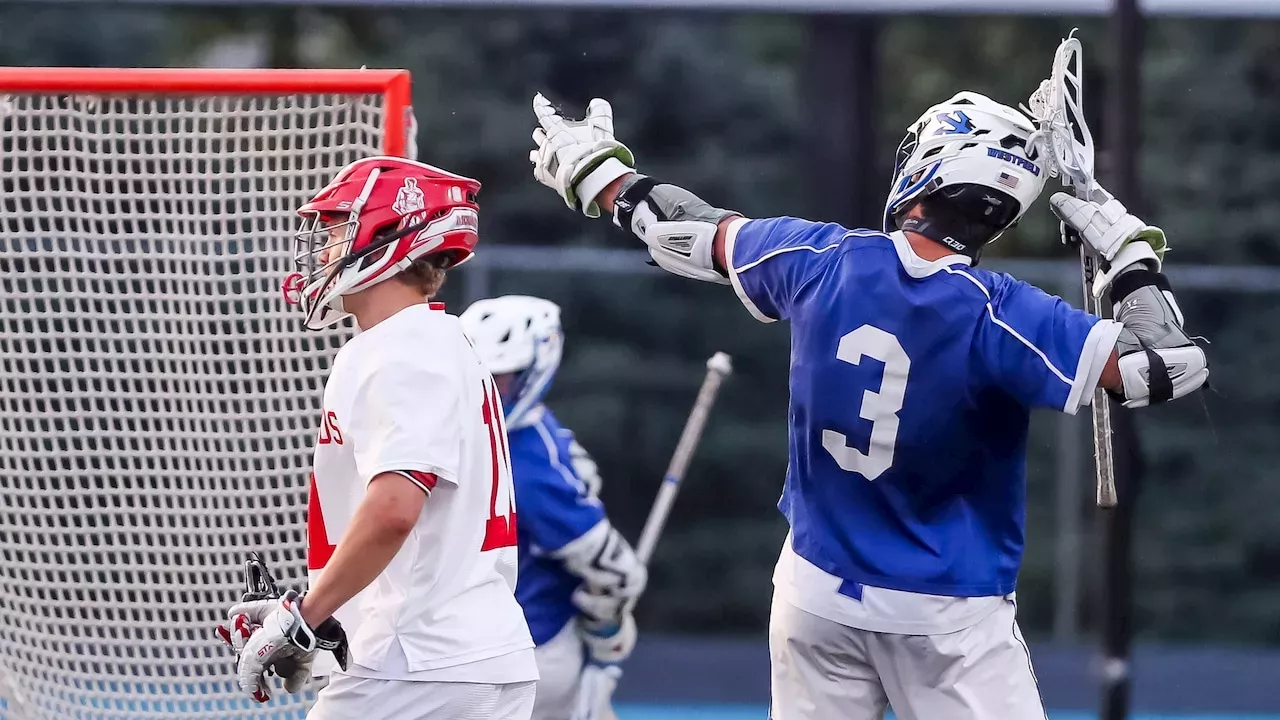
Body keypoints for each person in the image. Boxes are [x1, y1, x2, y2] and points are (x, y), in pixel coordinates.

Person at [527, 92, 1208, 719]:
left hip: (816, 592)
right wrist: (1130, 255)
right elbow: (1169, 367)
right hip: (947, 618)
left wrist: (599, 178)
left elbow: (686, 232)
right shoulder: (1008, 316)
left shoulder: (820, 258)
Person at [215, 156, 538, 719]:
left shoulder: (402, 348)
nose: (320, 248)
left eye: (338, 227)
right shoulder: (432, 339)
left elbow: (394, 508)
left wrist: (305, 615)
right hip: (458, 657)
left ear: (390, 235)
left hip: (417, 668)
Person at [459, 295, 647, 720]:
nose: (488, 392)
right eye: (478, 378)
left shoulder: (527, 461)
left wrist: (605, 622)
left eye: (501, 379)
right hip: (492, 649)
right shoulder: (523, 435)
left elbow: (616, 570)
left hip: (527, 653)